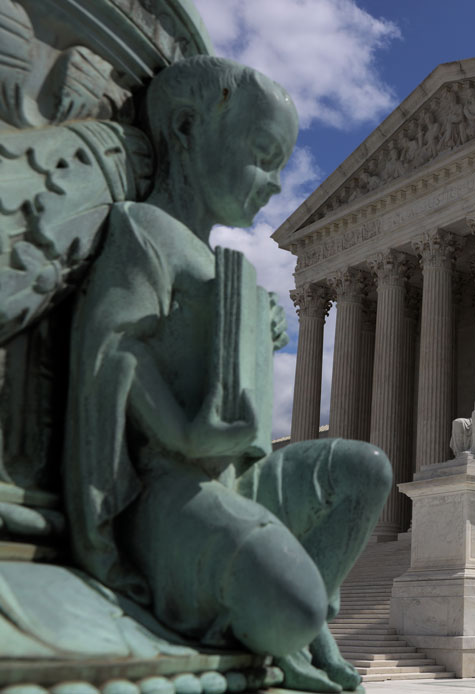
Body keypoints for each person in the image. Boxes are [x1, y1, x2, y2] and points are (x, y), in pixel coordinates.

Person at [63, 55, 390, 693]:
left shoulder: (220, 264)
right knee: (288, 605)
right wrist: (181, 434)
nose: (272, 183)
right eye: (262, 154)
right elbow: (110, 347)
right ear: (186, 129)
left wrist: (250, 328)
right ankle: (297, 620)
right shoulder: (145, 231)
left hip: (234, 473)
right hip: (171, 486)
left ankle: (309, 617)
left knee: (368, 469)